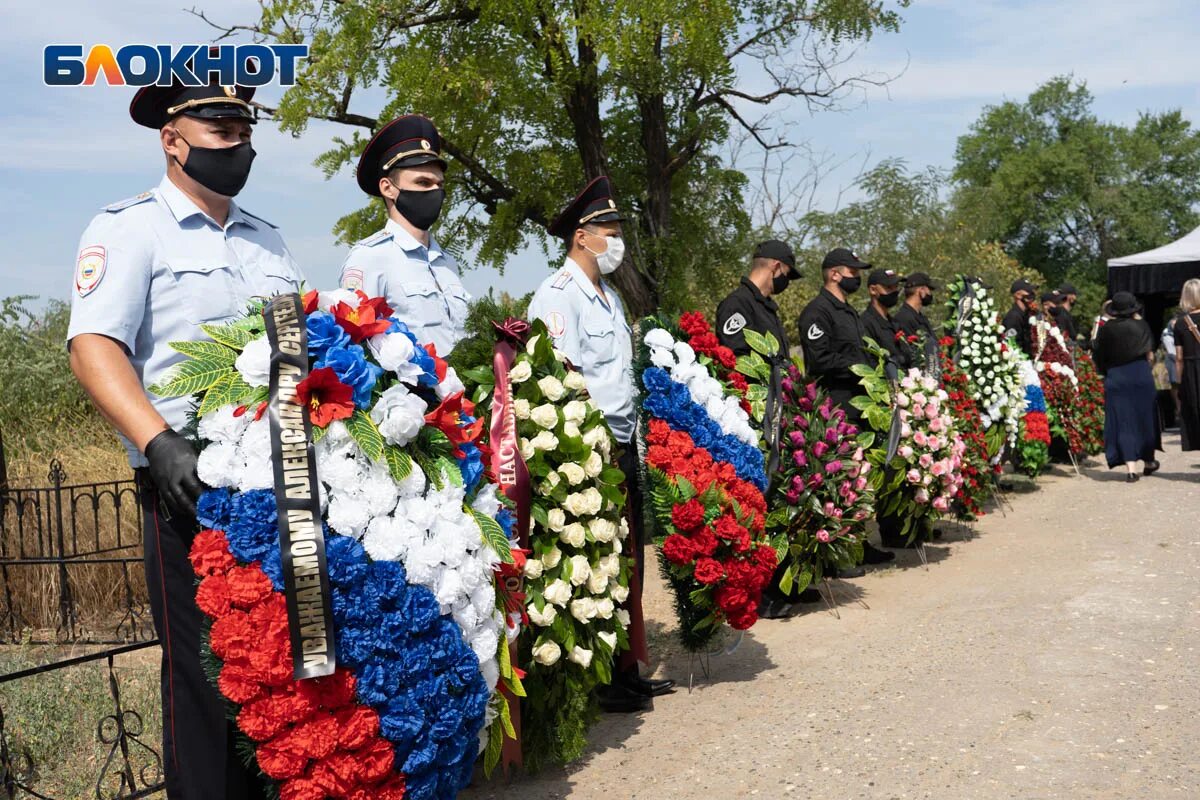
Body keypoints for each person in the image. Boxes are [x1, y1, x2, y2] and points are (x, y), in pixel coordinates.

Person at [67, 76, 303, 799]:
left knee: (279, 671)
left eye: (244, 131)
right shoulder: (128, 228)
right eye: (221, 131)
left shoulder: (268, 239)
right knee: (204, 681)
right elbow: (93, 346)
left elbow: (298, 351)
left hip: (277, 487)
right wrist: (158, 440)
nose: (240, 144)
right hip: (188, 491)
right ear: (173, 140)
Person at [527, 176, 674, 711]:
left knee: (628, 557)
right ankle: (601, 681)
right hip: (587, 446)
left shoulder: (609, 296)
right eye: (608, 229)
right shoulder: (557, 295)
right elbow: (556, 375)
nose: (617, 239)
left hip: (621, 440)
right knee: (599, 561)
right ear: (581, 236)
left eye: (617, 229)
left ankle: (626, 666)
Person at [715, 240, 815, 616]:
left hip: (779, 418)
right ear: (775, 266)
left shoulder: (766, 308)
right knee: (761, 503)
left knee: (782, 501)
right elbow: (735, 360)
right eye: (787, 272)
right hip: (754, 420)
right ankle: (763, 594)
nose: (787, 279)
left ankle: (786, 583)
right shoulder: (737, 305)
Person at [339, 115, 470, 355]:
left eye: (439, 185)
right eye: (423, 182)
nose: (435, 192)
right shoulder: (370, 258)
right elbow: (356, 346)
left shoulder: (447, 263)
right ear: (388, 188)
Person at [797, 248, 895, 568]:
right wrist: (857, 367)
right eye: (853, 272)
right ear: (835, 274)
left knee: (858, 478)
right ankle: (839, 556)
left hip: (858, 406)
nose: (858, 277)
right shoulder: (818, 312)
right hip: (836, 406)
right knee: (839, 482)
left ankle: (860, 544)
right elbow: (819, 360)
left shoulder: (848, 312)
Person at [1092, 292, 1160, 481]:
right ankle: (1149, 461)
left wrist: (1108, 372)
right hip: (1140, 374)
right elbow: (1150, 354)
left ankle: (1131, 469)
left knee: (1123, 421)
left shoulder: (1106, 329)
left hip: (1117, 376)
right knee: (1144, 418)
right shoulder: (1142, 325)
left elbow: (1098, 357)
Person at [1172, 278, 1200, 452]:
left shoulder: (1181, 323)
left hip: (1191, 372)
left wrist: (1180, 381)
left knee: (1196, 413)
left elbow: (1179, 358)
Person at [861, 268, 908, 367]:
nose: (895, 291)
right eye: (889, 287)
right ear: (873, 290)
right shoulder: (865, 323)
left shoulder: (895, 323)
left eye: (896, 287)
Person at [893, 271, 939, 370]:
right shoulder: (903, 318)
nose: (930, 294)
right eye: (929, 289)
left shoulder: (920, 317)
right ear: (921, 290)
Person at [1003, 279, 1038, 355]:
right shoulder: (1013, 317)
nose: (1032, 294)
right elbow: (1011, 344)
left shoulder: (1026, 315)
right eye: (1029, 291)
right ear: (1018, 295)